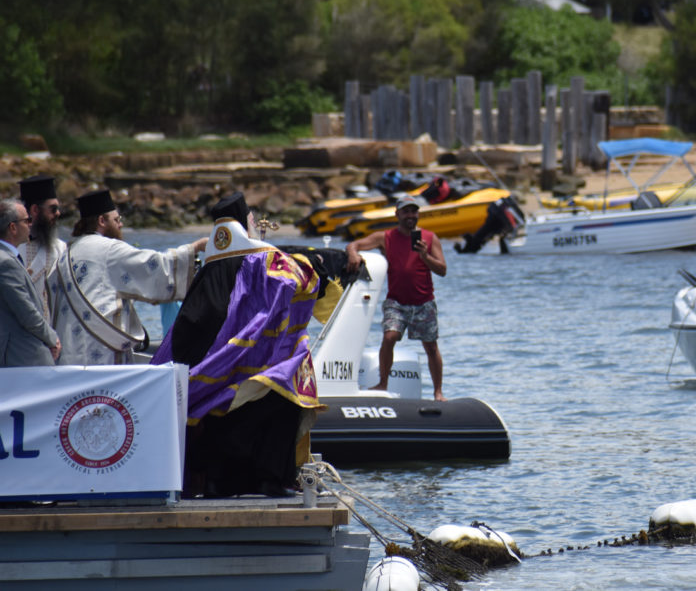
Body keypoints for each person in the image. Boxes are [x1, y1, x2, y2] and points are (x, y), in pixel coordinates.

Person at [152, 192, 324, 497]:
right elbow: (297, 281)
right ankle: (270, 479)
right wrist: (317, 265)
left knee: (215, 410)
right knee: (286, 383)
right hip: (247, 361)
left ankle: (218, 482)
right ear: (247, 222)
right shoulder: (261, 259)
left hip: (205, 370)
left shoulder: (208, 268)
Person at [48, 189, 205, 366]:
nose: (120, 225)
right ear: (102, 221)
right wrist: (195, 248)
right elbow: (154, 266)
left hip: (69, 353)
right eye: (117, 220)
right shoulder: (109, 249)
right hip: (101, 352)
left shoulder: (66, 253)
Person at [346, 194, 448, 401]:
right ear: (397, 214)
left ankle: (438, 392)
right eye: (406, 211)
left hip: (424, 302)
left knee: (431, 346)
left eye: (414, 211)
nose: (410, 215)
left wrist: (425, 256)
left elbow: (443, 270)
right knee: (389, 337)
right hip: (396, 302)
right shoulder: (385, 237)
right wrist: (353, 254)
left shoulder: (429, 238)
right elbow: (354, 245)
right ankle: (383, 383)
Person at [0, 198, 60, 366]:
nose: (31, 225)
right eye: (27, 221)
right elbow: (27, 313)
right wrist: (51, 338)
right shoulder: (5, 262)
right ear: (13, 227)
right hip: (21, 355)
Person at [17, 174, 67, 322]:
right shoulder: (9, 247)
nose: (58, 213)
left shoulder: (60, 248)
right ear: (35, 210)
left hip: (52, 333)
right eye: (53, 209)